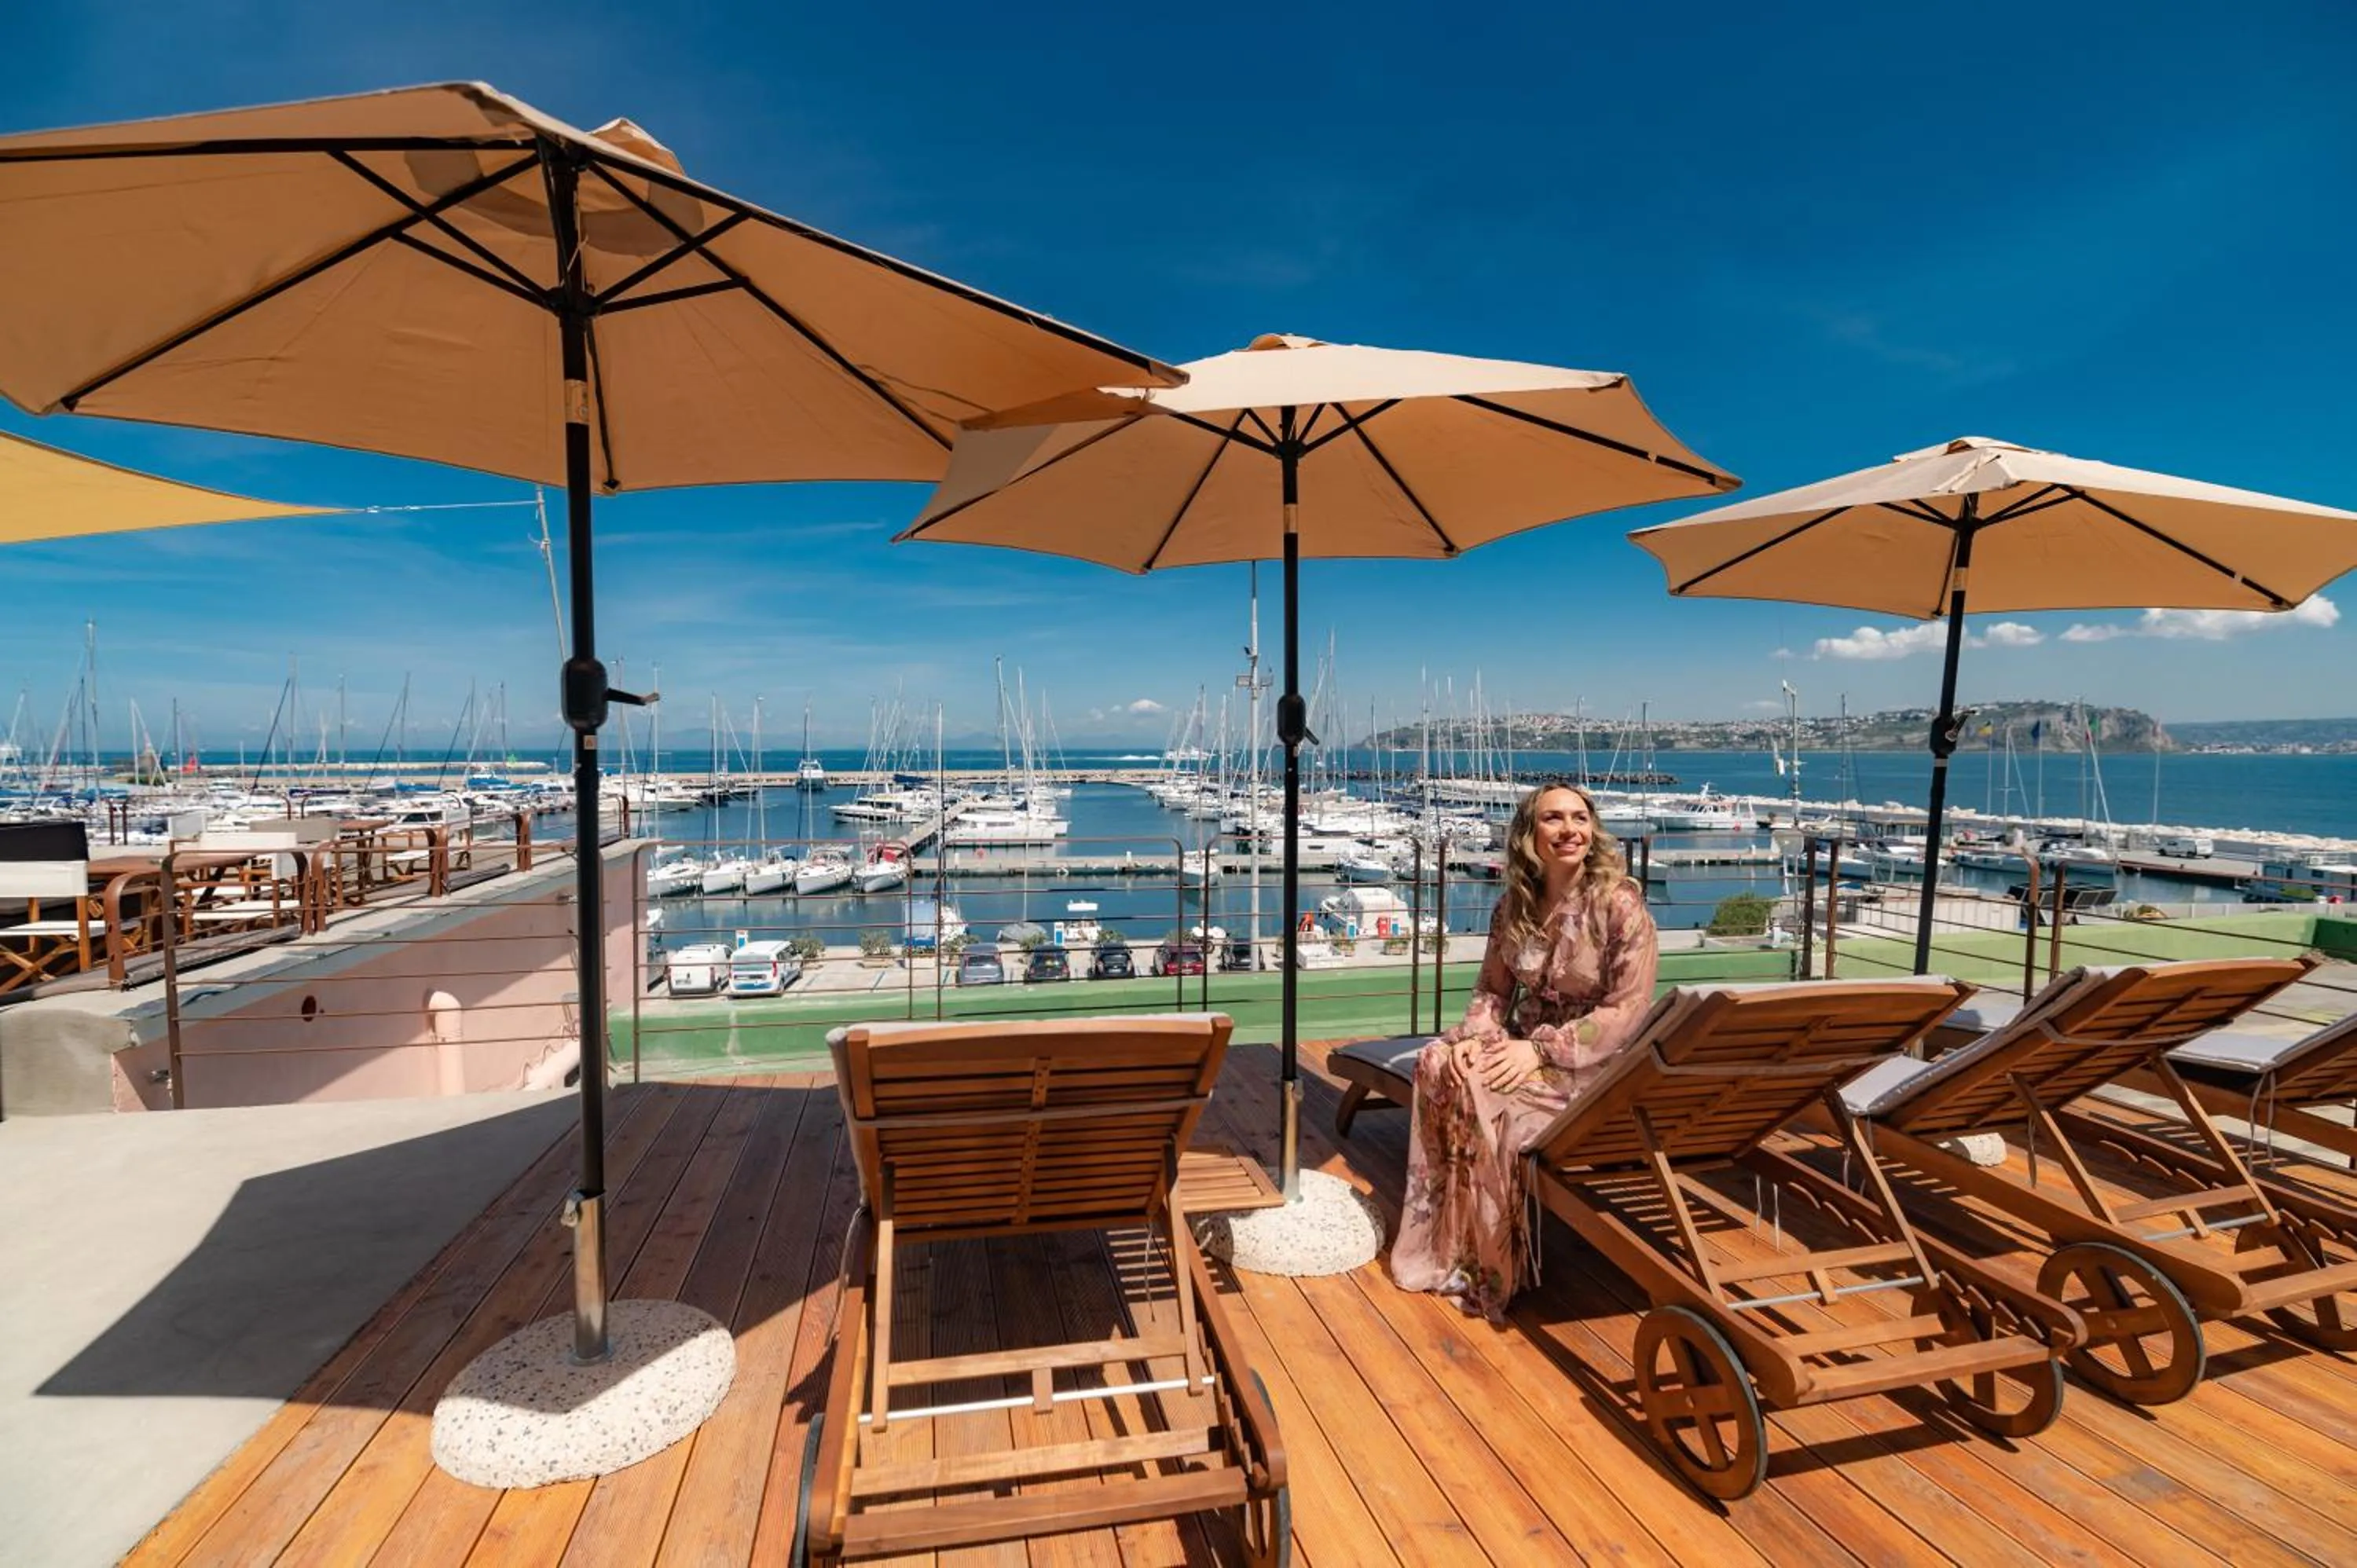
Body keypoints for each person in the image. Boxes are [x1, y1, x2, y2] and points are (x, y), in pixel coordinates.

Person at [1389, 782, 1659, 1321]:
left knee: (1485, 1089)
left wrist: (1538, 1052)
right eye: (1554, 819)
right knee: (1439, 1064)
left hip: (1593, 1066)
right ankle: (1451, 1246)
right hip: (1520, 1046)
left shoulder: (1620, 907)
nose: (1570, 830)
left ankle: (1492, 1265)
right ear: (1529, 834)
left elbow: (1626, 1012)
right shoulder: (1514, 905)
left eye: (1580, 818)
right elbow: (1492, 991)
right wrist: (1473, 1039)